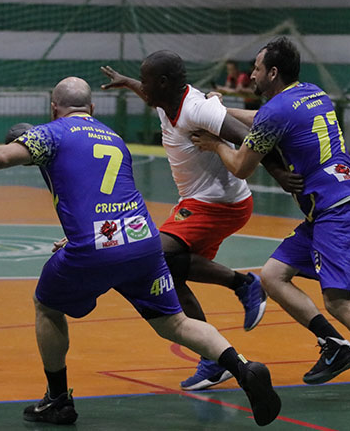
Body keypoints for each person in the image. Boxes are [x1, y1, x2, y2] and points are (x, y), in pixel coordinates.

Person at [0, 77, 281, 426]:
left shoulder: (51, 133)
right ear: (92, 108)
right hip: (142, 242)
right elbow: (109, 195)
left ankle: (58, 400)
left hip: (97, 248)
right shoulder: (113, 137)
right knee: (175, 323)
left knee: (47, 306)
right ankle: (242, 368)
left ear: (53, 108)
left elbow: (0, 157)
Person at [191, 37, 350, 410]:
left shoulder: (276, 111)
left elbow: (240, 166)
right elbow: (265, 120)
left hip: (336, 211)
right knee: (273, 276)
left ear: (273, 72)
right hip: (329, 207)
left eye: (257, 68)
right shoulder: (311, 94)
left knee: (339, 301)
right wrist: (223, 111)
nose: (251, 74)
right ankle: (334, 345)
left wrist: (214, 143)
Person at [99, 53, 301, 391]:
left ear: (163, 83)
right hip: (198, 201)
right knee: (171, 271)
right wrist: (128, 82)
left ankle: (244, 285)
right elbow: (149, 95)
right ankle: (212, 358)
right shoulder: (165, 101)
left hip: (220, 203)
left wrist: (279, 173)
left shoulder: (197, 109)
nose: (143, 87)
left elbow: (252, 136)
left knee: (155, 254)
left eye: (145, 81)